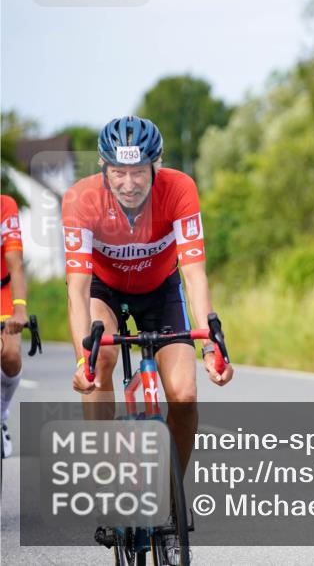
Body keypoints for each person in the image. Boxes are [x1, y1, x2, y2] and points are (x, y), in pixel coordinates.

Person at [62, 115, 233, 564]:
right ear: (103, 167)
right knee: (100, 363)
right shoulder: (80, 199)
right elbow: (77, 288)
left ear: (156, 165)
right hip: (103, 292)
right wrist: (82, 358)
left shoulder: (180, 189)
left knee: (185, 394)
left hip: (161, 291)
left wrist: (212, 345)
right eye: (118, 172)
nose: (129, 182)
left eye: (138, 171)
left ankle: (173, 505)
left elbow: (194, 274)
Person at [1, 193, 28, 459]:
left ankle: (1, 415)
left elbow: (15, 262)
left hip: (3, 292)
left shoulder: (4, 204)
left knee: (10, 355)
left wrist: (19, 308)